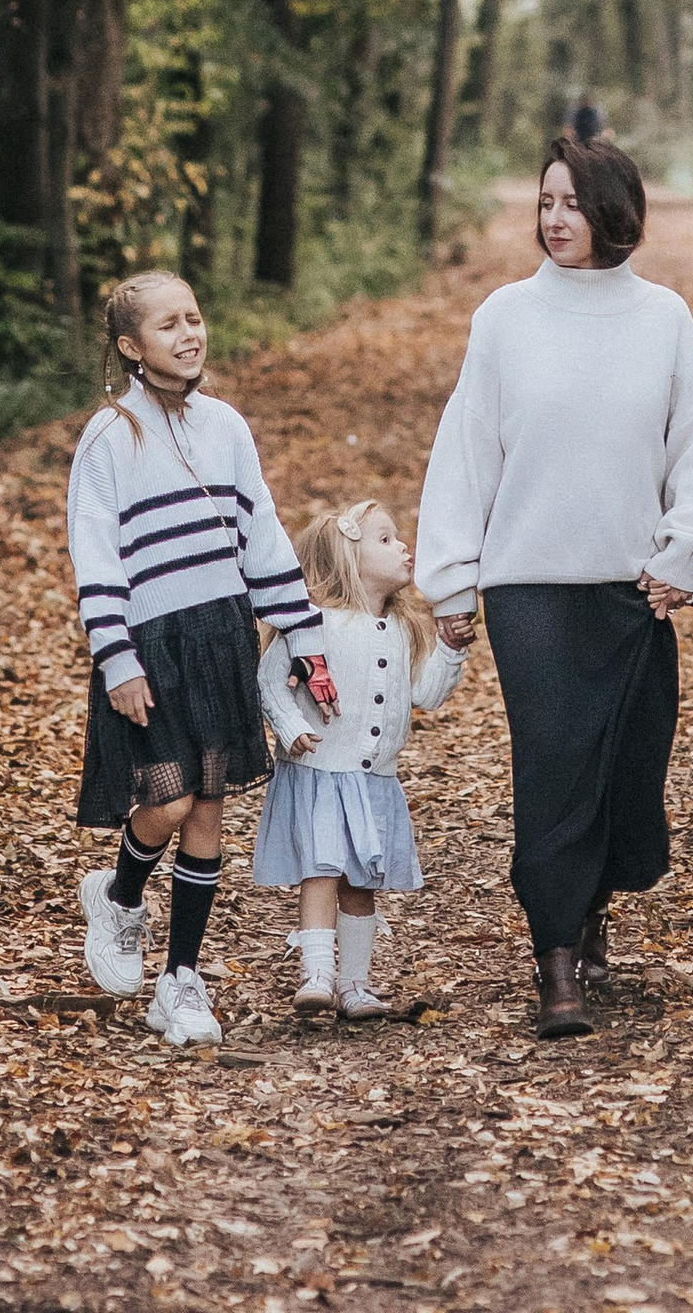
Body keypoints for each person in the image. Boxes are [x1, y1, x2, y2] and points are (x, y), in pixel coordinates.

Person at [416, 133, 693, 1039]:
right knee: (552, 767)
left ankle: (593, 908)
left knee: (629, 766)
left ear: (613, 212)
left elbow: (692, 447)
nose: (556, 219)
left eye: (573, 204)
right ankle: (556, 959)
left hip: (631, 588)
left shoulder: (664, 317)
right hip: (531, 589)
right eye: (545, 203)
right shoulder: (504, 317)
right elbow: (466, 450)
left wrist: (683, 547)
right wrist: (451, 578)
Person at [70, 271, 333, 1052]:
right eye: (168, 326)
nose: (190, 334)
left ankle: (180, 979)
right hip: (151, 647)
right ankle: (119, 897)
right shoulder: (110, 435)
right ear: (130, 346)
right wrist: (116, 657)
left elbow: (265, 537)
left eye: (195, 318)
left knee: (210, 808)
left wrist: (305, 635)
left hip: (222, 638)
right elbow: (95, 555)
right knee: (170, 802)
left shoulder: (226, 427)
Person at [252, 499, 472, 1022]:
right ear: (350, 559)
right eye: (385, 539)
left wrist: (450, 650)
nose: (403, 546)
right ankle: (317, 975)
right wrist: (293, 727)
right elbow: (268, 679)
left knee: (361, 882)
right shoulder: (313, 624)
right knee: (322, 870)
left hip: (374, 778)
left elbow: (426, 694)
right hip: (322, 771)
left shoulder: (402, 630)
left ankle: (355, 984)